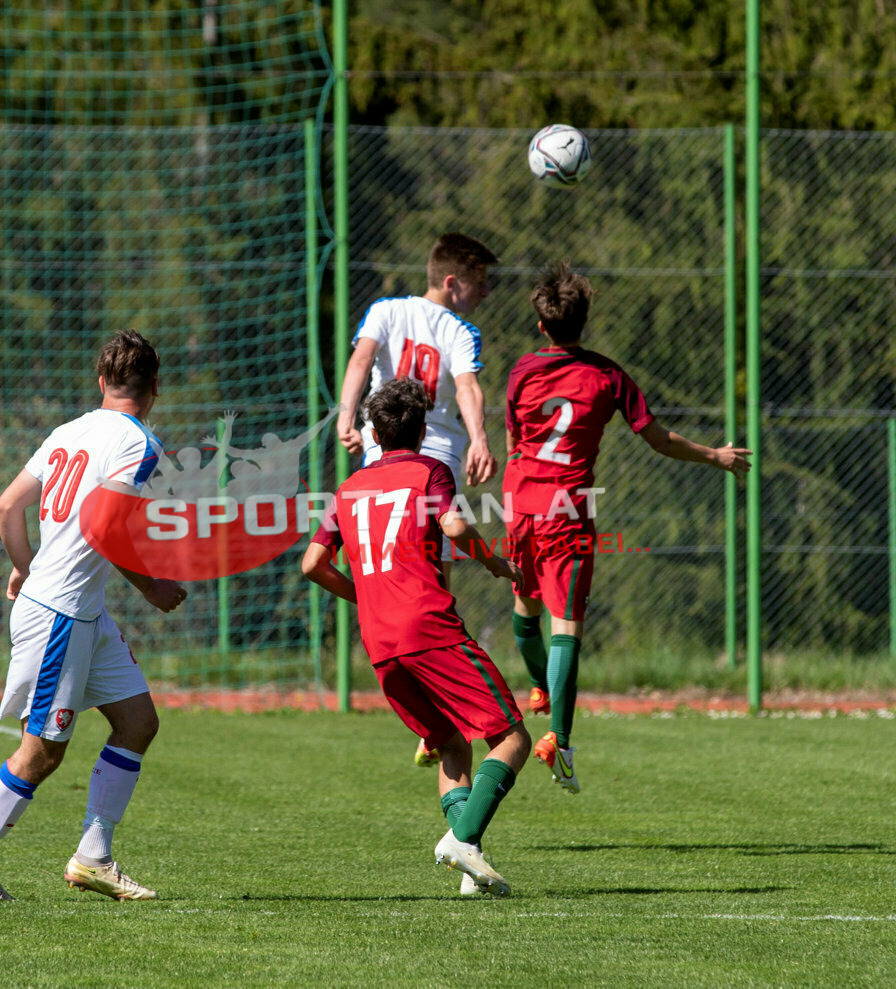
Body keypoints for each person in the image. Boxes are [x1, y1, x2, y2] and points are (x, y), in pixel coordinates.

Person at [0, 330, 188, 901]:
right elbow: (106, 528)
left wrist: (27, 565)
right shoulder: (141, 443)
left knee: (138, 722)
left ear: (102, 382)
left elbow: (8, 505)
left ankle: (93, 856)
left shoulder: (68, 431)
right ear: (155, 387)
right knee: (43, 751)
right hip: (59, 615)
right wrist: (151, 586)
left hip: (80, 611)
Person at [504, 261, 752, 794]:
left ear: (541, 325)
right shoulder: (608, 376)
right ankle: (561, 743)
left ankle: (537, 686)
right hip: (567, 509)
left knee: (524, 613)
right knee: (566, 626)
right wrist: (715, 455)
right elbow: (658, 439)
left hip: (519, 504)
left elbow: (513, 440)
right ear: (585, 320)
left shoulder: (521, 371)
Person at [303, 378, 530, 897]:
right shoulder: (429, 470)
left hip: (380, 642)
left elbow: (313, 564)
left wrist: (368, 596)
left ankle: (468, 864)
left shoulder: (348, 488)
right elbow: (452, 528)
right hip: (427, 628)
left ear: (376, 435)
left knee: (450, 743)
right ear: (424, 429)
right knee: (511, 736)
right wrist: (494, 561)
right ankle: (463, 841)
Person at [335, 231, 500, 768]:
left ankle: (421, 704)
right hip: (435, 454)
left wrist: (347, 416)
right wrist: (478, 437)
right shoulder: (458, 328)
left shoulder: (384, 310)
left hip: (379, 452)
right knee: (433, 573)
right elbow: (468, 387)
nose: (484, 297)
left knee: (381, 566)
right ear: (453, 283)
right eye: (479, 287)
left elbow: (360, 360)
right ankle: (439, 697)